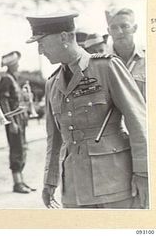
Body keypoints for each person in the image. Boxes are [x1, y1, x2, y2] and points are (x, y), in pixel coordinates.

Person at [26, 12, 148, 208]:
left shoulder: (107, 67)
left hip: (114, 183)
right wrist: (50, 180)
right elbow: (55, 138)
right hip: (73, 189)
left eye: (42, 43)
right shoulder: (52, 83)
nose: (40, 51)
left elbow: (138, 122)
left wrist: (144, 173)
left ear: (64, 37)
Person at [0, 51, 36, 194]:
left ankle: (21, 180)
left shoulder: (13, 79)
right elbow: (4, 101)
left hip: (21, 119)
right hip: (14, 120)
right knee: (17, 150)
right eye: (16, 63)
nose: (18, 65)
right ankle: (17, 183)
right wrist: (11, 121)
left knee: (22, 149)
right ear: (11, 65)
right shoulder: (6, 79)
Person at [106, 7, 146, 100]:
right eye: (114, 28)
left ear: (135, 28)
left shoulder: (150, 59)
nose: (119, 32)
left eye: (124, 26)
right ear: (109, 31)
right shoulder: (101, 63)